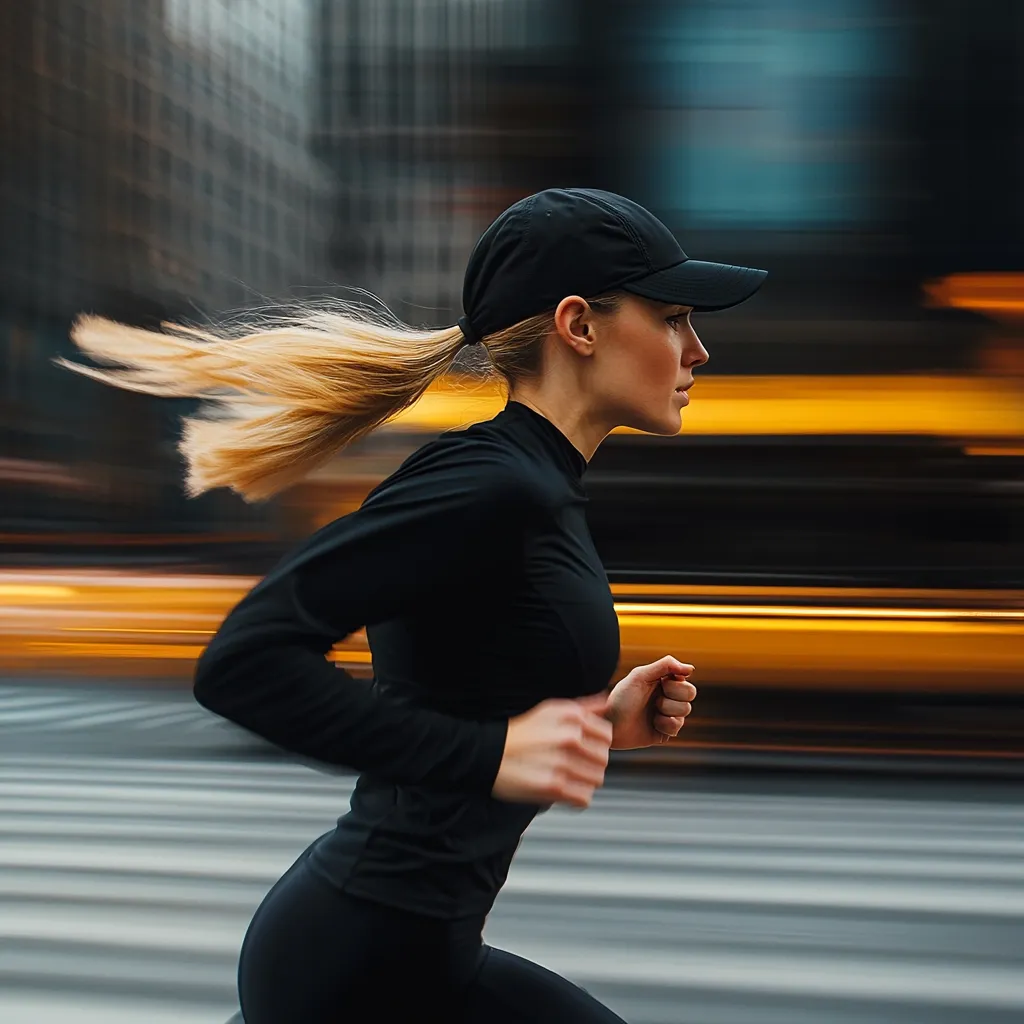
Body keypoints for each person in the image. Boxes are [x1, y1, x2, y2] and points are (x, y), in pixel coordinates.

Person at [62, 188, 766, 1022]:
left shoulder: (534, 485)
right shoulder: (490, 486)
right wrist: (490, 753)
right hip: (354, 968)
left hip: (422, 955)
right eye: (674, 318)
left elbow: (458, 686)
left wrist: (598, 724)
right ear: (578, 325)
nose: (698, 349)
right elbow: (244, 664)